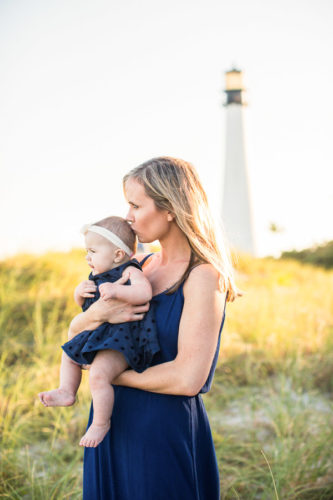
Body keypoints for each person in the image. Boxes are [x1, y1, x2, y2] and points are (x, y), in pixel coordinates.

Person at [68, 157, 239, 500]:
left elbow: (187, 378)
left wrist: (108, 376)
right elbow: (79, 338)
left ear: (170, 208)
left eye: (135, 205)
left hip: (161, 430)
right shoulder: (136, 267)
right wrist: (92, 316)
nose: (127, 216)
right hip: (110, 421)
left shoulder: (203, 276)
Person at [38, 216, 160, 448]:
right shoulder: (95, 276)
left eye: (93, 251)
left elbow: (144, 294)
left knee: (98, 374)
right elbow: (83, 305)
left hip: (122, 338)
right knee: (68, 354)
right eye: (87, 251)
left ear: (117, 255)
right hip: (100, 332)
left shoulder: (130, 271)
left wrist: (118, 291)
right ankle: (67, 390)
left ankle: (101, 422)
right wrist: (79, 292)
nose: (87, 257)